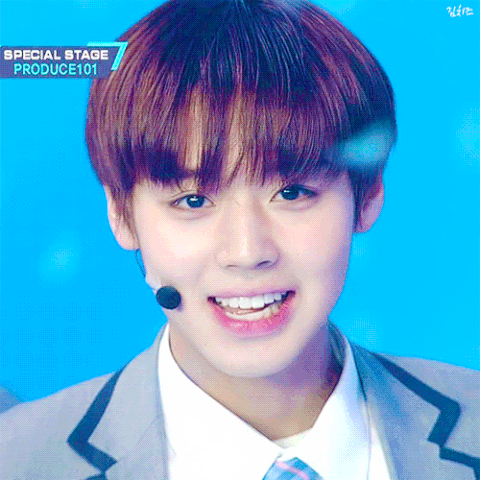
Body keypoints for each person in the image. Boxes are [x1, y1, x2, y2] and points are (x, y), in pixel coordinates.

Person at [1, 0, 479, 479]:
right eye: (193, 201)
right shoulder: (20, 458)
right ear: (120, 214)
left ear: (368, 194)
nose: (247, 253)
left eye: (292, 193)